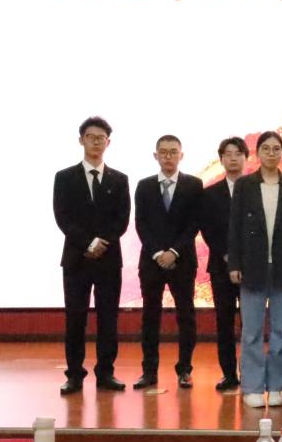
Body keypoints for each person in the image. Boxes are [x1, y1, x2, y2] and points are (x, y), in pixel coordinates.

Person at [53, 116, 131, 395]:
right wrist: (88, 243)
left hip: (108, 259)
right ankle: (74, 375)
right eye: (91, 137)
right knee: (75, 318)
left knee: (108, 318)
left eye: (101, 138)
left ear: (108, 143)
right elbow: (62, 217)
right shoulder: (64, 177)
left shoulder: (119, 179)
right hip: (76, 258)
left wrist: (101, 242)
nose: (96, 142)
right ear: (81, 140)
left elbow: (122, 219)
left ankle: (106, 372)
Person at [227, 131, 282, 408]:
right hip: (252, 266)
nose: (272, 153)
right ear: (257, 153)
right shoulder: (245, 185)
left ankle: (277, 385)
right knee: (252, 331)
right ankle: (252, 386)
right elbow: (234, 226)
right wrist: (234, 263)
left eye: (276, 149)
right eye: (266, 149)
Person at [133, 135, 203, 390]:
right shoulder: (144, 186)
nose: (168, 156)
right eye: (163, 152)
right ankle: (149, 371)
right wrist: (157, 253)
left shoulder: (194, 185)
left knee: (186, 316)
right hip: (151, 262)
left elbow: (194, 223)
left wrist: (173, 251)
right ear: (156, 156)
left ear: (181, 155)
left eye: (173, 152)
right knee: (150, 317)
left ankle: (184, 370)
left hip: (182, 261)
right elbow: (141, 223)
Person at [199, 136, 249, 391]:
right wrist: (228, 256)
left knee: (251, 324)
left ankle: (250, 373)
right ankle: (228, 373)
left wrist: (244, 258)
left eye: (238, 153)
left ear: (246, 158)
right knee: (224, 322)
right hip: (221, 266)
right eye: (228, 154)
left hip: (251, 267)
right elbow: (207, 229)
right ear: (221, 159)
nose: (233, 158)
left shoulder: (256, 189)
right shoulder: (209, 193)